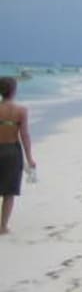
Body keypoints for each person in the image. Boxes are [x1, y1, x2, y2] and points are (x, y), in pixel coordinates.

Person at [0, 77, 37, 234]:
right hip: (12, 151)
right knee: (9, 191)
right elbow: (25, 135)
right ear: (14, 91)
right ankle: (2, 227)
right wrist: (29, 158)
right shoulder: (21, 111)